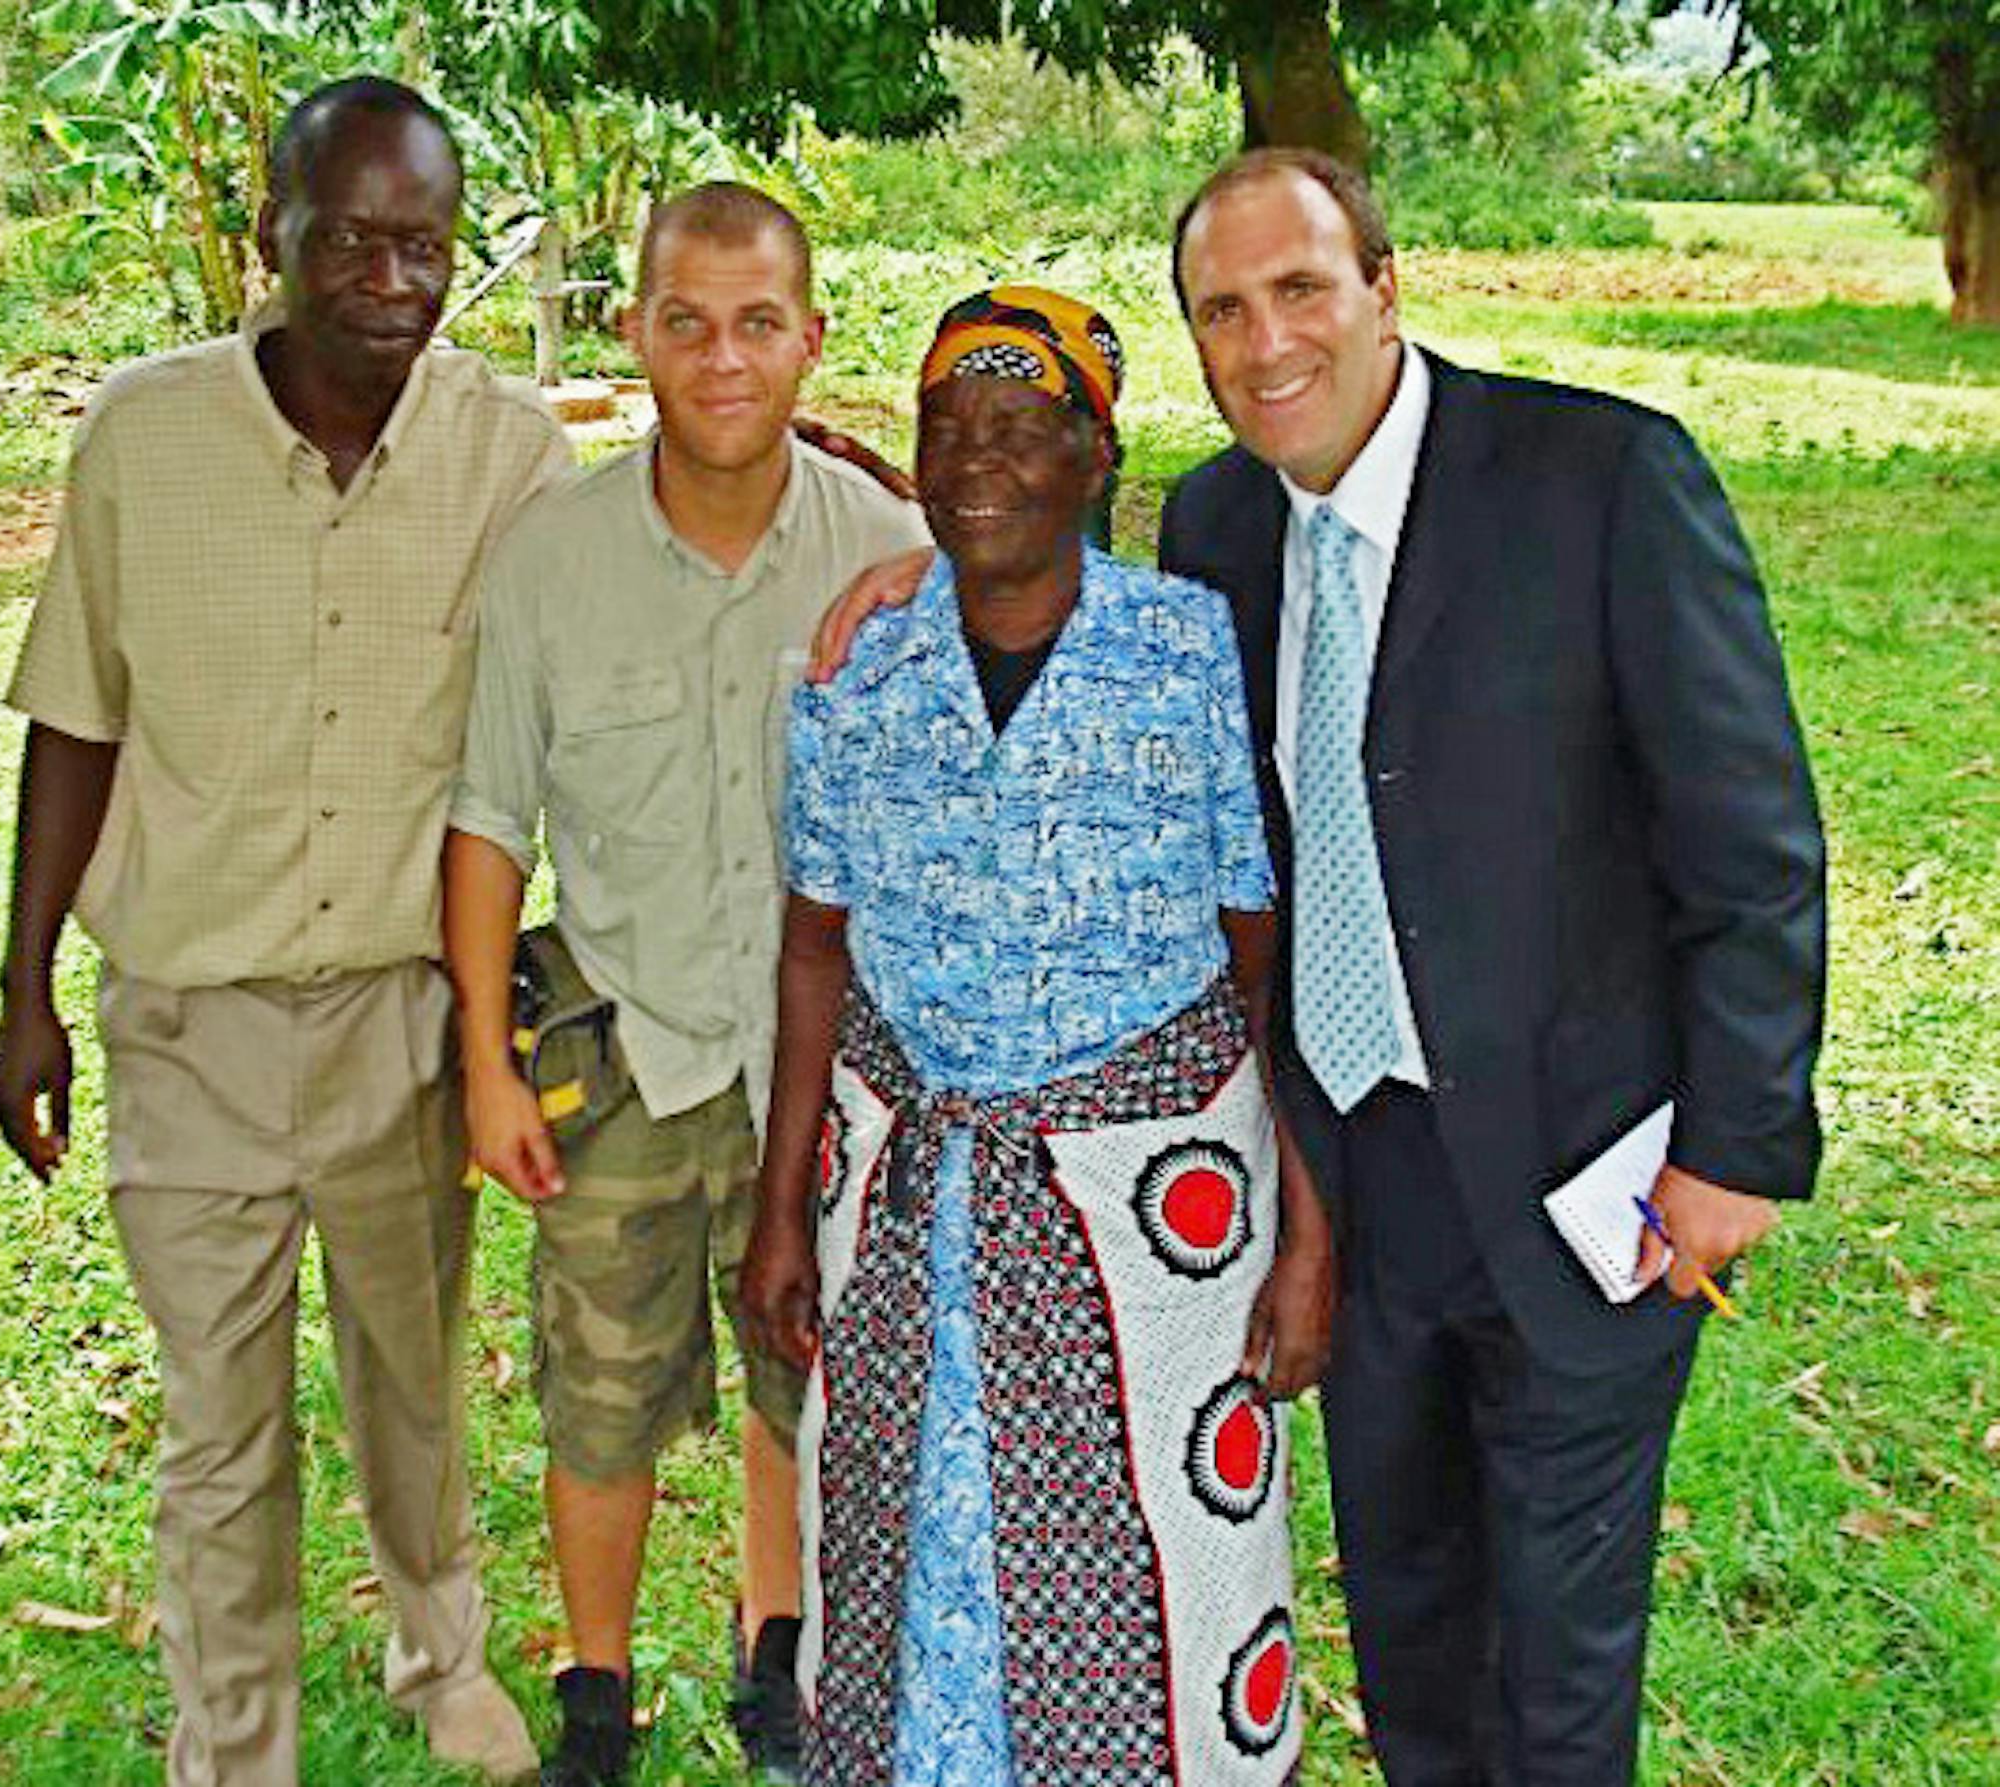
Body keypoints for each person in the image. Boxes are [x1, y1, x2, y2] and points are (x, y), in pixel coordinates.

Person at [1156, 151, 1826, 1783]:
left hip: (1585, 1169)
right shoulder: (1217, 525)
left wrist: (1736, 1151)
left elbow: (1750, 839)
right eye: (1221, 311)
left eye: (1303, 289)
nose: (1266, 344)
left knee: (1560, 1662)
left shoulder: (1600, 481)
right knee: (1410, 1621)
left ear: (1387, 288)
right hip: (1356, 1187)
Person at [0, 78, 569, 1785]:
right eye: (353, 240)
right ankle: (232, 1739)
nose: (392, 279)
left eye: (425, 245)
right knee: (220, 1428)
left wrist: (804, 469)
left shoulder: (510, 450)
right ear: (276, 241)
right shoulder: (142, 437)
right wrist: (24, 992)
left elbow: (613, 616)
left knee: (411, 1376)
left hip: (407, 1011)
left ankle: (437, 1652)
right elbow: (73, 720)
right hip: (193, 1020)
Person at [742, 285, 1335, 1786]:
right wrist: (777, 1214)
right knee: (907, 1549)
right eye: (948, 427)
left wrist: (1312, 1227)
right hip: (907, 1205)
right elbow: (814, 950)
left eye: (1024, 427)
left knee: (1160, 1566)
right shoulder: (857, 677)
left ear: (1093, 458)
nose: (980, 459)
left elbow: (1261, 965)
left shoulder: (1191, 654)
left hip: (1152, 1231)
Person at [440, 182, 931, 1787]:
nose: (724, 360)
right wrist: (490, 1070)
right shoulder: (553, 562)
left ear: (810, 336)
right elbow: (489, 818)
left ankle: (776, 1653)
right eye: (688, 322)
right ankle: (595, 1689)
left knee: (810, 1371)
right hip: (627, 1046)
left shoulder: (889, 551)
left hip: (821, 1067)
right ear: (638, 333)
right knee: (601, 1398)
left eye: (759, 323)